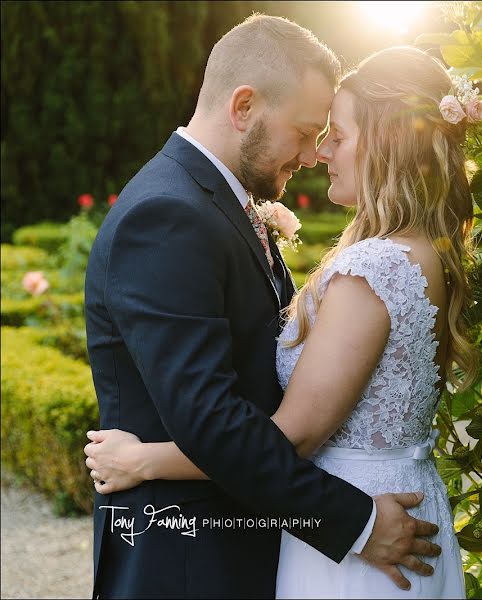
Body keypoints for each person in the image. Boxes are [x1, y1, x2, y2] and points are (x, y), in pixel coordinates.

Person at [83, 15, 444, 599]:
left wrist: (150, 458)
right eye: (303, 132)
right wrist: (355, 522)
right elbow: (214, 422)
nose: (311, 153)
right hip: (185, 559)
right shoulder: (168, 217)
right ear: (244, 106)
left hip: (243, 543)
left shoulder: (217, 201)